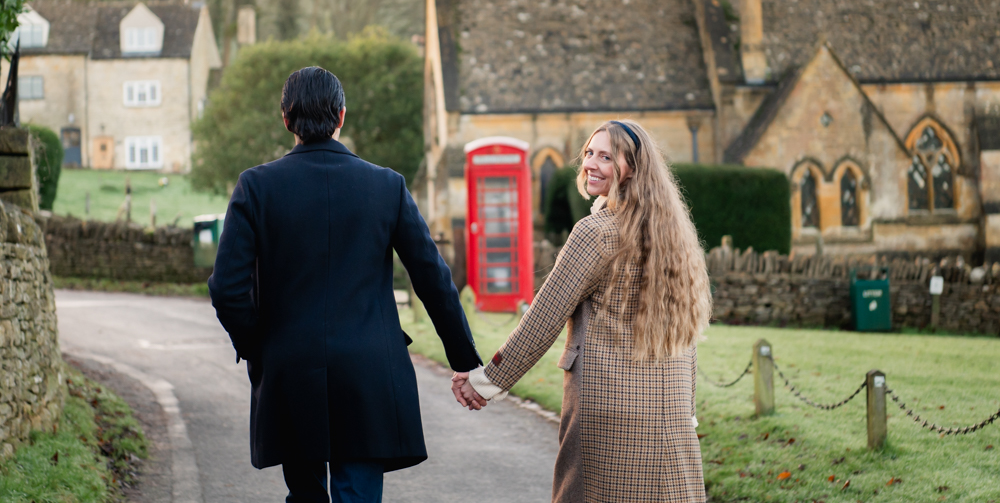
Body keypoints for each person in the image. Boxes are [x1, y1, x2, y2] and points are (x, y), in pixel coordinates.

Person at [209, 66, 483, 503]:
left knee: (306, 495)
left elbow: (226, 288)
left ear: (285, 117)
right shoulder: (386, 186)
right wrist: (463, 358)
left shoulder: (256, 187)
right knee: (358, 495)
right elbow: (431, 277)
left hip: (290, 368)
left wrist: (260, 346)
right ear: (341, 116)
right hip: (368, 372)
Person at [453, 120, 712, 503]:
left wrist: (486, 382)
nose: (591, 163)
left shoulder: (597, 232)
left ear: (632, 169)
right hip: (671, 418)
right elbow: (686, 333)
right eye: (589, 153)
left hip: (607, 409)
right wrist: (686, 414)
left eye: (606, 156)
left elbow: (543, 319)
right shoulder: (675, 237)